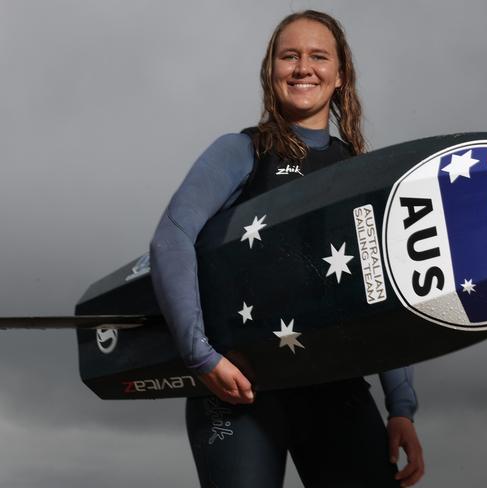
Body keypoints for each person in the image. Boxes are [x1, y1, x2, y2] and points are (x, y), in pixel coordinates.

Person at [149, 10, 425, 488]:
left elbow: (380, 290)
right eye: (289, 56)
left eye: (319, 57)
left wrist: (400, 409)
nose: (303, 68)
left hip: (335, 384)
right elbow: (171, 237)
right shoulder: (243, 151)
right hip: (240, 386)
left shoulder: (362, 171)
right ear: (271, 69)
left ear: (340, 76)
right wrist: (201, 357)